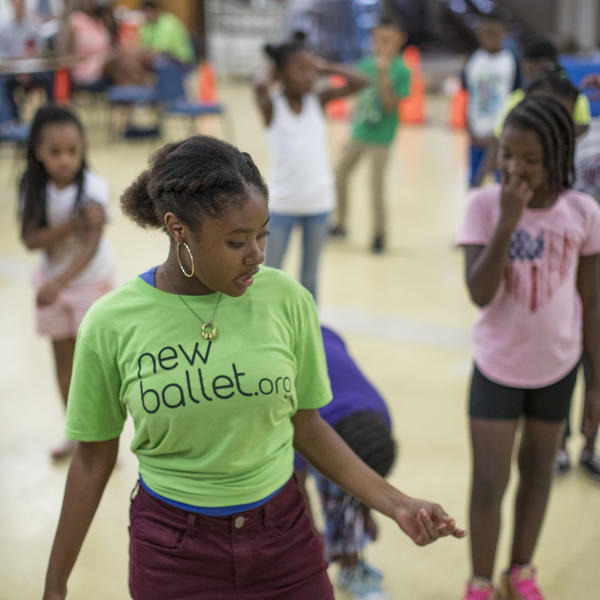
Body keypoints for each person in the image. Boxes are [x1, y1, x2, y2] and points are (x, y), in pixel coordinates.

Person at [42, 135, 466, 600]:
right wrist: (56, 582)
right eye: (237, 241)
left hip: (282, 538)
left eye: (263, 233)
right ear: (178, 228)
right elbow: (92, 458)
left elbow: (307, 425)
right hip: (173, 550)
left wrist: (396, 504)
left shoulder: (286, 300)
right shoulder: (111, 323)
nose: (257, 255)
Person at [457, 95, 600, 599]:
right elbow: (479, 292)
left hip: (557, 370)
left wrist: (596, 386)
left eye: (530, 160)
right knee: (489, 481)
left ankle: (520, 570)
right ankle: (479, 579)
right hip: (498, 368)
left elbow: (592, 303)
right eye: (508, 155)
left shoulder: (583, 212)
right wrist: (506, 223)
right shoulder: (482, 206)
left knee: (538, 472)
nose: (515, 168)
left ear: (559, 159)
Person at [18, 105, 115, 460]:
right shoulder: (31, 188)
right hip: (52, 287)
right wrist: (68, 226)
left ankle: (103, 440)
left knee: (96, 367)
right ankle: (74, 434)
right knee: (63, 364)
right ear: (38, 152)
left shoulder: (94, 187)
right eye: (55, 152)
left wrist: (59, 282)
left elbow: (91, 246)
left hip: (90, 284)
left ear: (83, 148)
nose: (65, 160)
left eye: (73, 151)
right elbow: (30, 239)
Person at [255, 32, 368, 300]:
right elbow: (259, 85)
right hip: (282, 205)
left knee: (310, 277)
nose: (309, 76)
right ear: (280, 73)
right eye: (300, 70)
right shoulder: (272, 107)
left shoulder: (317, 101)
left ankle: (308, 331)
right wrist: (278, 65)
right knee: (270, 274)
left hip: (318, 204)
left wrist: (323, 66)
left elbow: (361, 81)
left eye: (311, 70)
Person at [295, 325, 396, 600]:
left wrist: (366, 510)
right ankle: (346, 565)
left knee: (343, 496)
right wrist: (312, 539)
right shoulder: (304, 420)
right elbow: (296, 489)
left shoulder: (380, 418)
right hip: (290, 353)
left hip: (324, 336)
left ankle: (351, 564)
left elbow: (368, 477)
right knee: (322, 507)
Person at [331, 17, 410, 254]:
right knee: (340, 174)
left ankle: (379, 235)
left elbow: (389, 105)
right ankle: (340, 223)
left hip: (381, 138)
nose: (382, 44)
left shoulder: (401, 70)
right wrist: (349, 132)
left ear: (399, 40)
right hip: (359, 133)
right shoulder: (365, 65)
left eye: (387, 39)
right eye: (378, 39)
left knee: (375, 186)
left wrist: (384, 74)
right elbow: (358, 100)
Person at [461, 12, 519, 188]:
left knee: (501, 184)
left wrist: (504, 132)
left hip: (501, 134)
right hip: (476, 132)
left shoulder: (511, 61)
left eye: (495, 33)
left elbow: (517, 98)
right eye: (486, 32)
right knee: (474, 184)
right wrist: (469, 129)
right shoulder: (473, 61)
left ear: (503, 33)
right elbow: (465, 95)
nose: (490, 37)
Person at [494, 38, 592, 139]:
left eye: (537, 67)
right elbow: (501, 133)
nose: (531, 72)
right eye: (527, 68)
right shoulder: (515, 98)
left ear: (554, 65)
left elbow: (583, 126)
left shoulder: (572, 96)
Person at [0, 0, 54, 121]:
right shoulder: (4, 28)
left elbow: (40, 49)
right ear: (12, 4)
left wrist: (27, 68)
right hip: (12, 73)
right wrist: (17, 68)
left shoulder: (32, 27)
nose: (20, 6)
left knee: (50, 77)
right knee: (3, 83)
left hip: (31, 72)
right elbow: (2, 55)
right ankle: (12, 121)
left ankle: (51, 116)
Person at [139, 0, 194, 68]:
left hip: (179, 60)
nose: (146, 15)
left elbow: (161, 50)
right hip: (164, 58)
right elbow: (143, 47)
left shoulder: (168, 22)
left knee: (157, 61)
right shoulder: (148, 26)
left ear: (156, 10)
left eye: (148, 12)